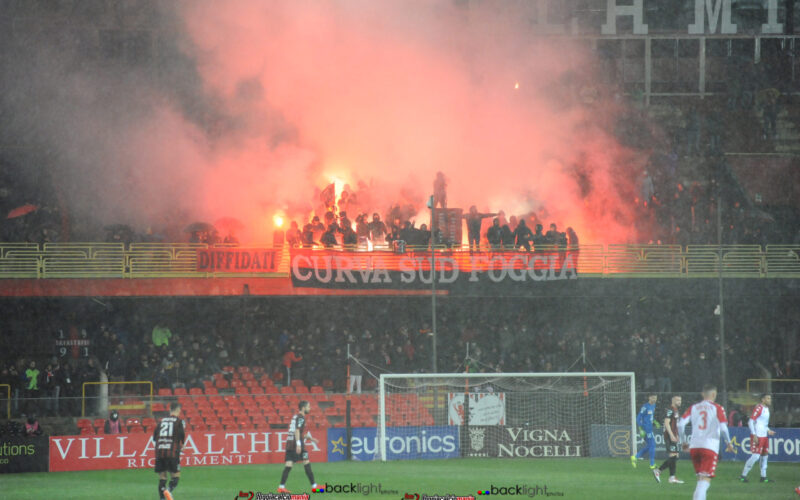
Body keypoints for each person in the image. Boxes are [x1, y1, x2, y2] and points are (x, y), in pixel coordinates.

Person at [678, 384, 734, 500]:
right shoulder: (718, 408)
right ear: (714, 394)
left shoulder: (693, 407)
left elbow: (680, 424)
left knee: (700, 479)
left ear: (703, 394)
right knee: (704, 480)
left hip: (694, 447)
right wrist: (728, 443)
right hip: (710, 447)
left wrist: (684, 441)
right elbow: (723, 428)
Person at [278, 400, 320, 493]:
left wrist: (311, 439)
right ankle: (314, 486)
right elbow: (297, 431)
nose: (310, 408)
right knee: (305, 462)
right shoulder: (301, 418)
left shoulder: (296, 416)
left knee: (290, 464)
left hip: (290, 443)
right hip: (296, 445)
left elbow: (299, 432)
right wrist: (298, 444)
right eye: (308, 407)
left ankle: (281, 487)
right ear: (303, 408)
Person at [740, 393, 776, 483]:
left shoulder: (767, 409)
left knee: (764, 457)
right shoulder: (759, 408)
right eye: (768, 398)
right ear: (763, 400)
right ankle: (743, 476)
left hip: (764, 436)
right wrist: (754, 434)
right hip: (757, 436)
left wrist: (768, 430)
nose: (770, 400)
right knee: (755, 456)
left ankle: (763, 477)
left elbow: (762, 423)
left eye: (770, 398)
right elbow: (751, 421)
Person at [153, 402, 185, 500]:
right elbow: (181, 436)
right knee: (175, 476)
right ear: (178, 410)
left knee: (162, 477)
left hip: (160, 452)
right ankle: (168, 491)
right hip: (172, 452)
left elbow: (154, 437)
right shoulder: (179, 422)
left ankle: (162, 498)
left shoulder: (161, 421)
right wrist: (182, 445)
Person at [654, 395, 684, 484]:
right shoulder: (670, 410)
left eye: (680, 400)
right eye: (678, 400)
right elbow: (666, 423)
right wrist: (671, 435)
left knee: (675, 456)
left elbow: (675, 424)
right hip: (669, 436)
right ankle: (658, 471)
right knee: (674, 456)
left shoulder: (676, 410)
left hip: (673, 435)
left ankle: (672, 477)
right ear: (673, 400)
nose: (680, 402)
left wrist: (676, 434)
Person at [632, 393, 658, 469]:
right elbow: (638, 418)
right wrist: (641, 429)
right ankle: (652, 464)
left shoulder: (654, 405)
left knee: (650, 446)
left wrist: (655, 422)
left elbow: (651, 416)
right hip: (646, 429)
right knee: (652, 445)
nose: (654, 399)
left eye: (656, 398)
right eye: (653, 398)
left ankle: (635, 457)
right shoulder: (645, 407)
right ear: (649, 397)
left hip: (650, 428)